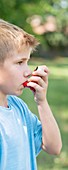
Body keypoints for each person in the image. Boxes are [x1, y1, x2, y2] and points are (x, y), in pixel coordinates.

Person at [0, 19, 62, 170]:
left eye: (28, 62)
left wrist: (42, 102)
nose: (28, 72)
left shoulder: (18, 106)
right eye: (20, 62)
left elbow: (54, 147)